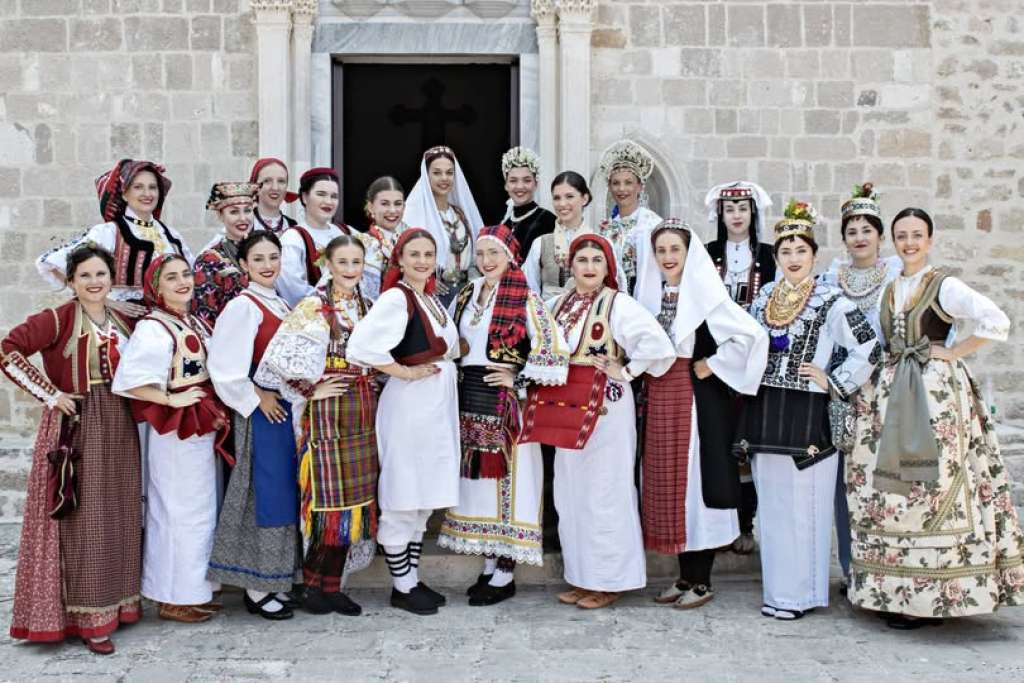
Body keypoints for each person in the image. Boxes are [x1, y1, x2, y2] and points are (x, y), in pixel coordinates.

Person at [846, 208, 1024, 629]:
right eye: (902, 236)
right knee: (892, 490)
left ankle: (934, 594)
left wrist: (953, 352)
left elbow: (996, 320)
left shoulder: (945, 284)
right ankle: (897, 590)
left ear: (929, 240)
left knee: (934, 485)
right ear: (893, 241)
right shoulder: (891, 288)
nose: (909, 243)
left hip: (935, 395)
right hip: (890, 393)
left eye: (917, 235)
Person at [733, 199, 881, 621]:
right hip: (766, 408)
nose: (793, 258)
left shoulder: (832, 300)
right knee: (774, 505)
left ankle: (802, 595)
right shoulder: (764, 298)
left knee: (806, 505)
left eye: (801, 250)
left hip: (809, 411)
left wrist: (833, 379)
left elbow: (870, 347)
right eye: (785, 251)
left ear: (814, 255)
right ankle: (778, 591)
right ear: (777, 257)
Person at [518, 234, 675, 610]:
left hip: (606, 409)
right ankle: (582, 576)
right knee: (571, 493)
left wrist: (628, 370)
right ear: (570, 266)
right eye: (582, 260)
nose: (589, 267)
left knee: (606, 492)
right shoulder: (558, 304)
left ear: (608, 267)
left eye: (596, 260)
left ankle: (610, 581)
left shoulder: (619, 304)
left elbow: (658, 345)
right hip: (565, 408)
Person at [3, 245, 141, 655]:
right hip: (78, 424)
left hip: (120, 421)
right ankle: (87, 618)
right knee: (85, 519)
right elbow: (8, 350)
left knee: (118, 513)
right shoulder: (57, 318)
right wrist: (51, 394)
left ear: (111, 278)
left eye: (101, 274)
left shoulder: (124, 317)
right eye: (85, 276)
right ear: (71, 281)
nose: (94, 282)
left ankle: (118, 605)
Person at [633, 219, 768, 609]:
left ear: (689, 253)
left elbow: (751, 336)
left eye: (675, 249)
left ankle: (702, 579)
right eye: (661, 250)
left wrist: (714, 363)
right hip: (660, 396)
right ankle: (684, 576)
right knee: (668, 485)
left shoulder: (707, 294)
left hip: (694, 400)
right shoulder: (651, 296)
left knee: (694, 486)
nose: (667, 257)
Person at [437, 224, 569, 605]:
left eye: (494, 252)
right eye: (480, 253)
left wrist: (517, 377)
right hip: (470, 398)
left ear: (510, 257)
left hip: (508, 404)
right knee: (481, 484)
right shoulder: (467, 293)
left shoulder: (526, 298)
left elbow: (553, 350)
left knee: (512, 482)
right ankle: (490, 562)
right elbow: (449, 341)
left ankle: (506, 571)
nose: (486, 260)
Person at [255, 234, 381, 617]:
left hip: (362, 410)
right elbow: (278, 361)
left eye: (356, 263)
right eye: (342, 262)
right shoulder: (313, 305)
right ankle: (312, 586)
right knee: (327, 505)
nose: (350, 270)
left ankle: (334, 586)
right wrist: (312, 389)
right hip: (326, 414)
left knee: (356, 503)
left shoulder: (369, 305)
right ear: (328, 265)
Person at [346, 229, 461, 616]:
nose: (423, 261)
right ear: (399, 259)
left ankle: (411, 578)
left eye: (428, 254)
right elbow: (361, 346)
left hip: (435, 406)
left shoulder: (428, 296)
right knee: (405, 492)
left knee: (423, 496)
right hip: (410, 406)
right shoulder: (397, 298)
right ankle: (402, 585)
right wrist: (405, 372)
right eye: (415, 254)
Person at [112, 254, 229, 624]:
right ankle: (171, 596)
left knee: (199, 510)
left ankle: (194, 591)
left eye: (186, 275)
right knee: (177, 511)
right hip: (177, 430)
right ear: (156, 287)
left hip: (199, 426)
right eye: (172, 277)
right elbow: (130, 381)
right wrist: (169, 399)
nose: (182, 282)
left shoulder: (191, 321)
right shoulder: (154, 327)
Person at [206, 231, 301, 621]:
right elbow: (224, 367)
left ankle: (277, 577)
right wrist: (257, 397)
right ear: (244, 265)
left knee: (282, 492)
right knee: (262, 493)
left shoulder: (280, 302)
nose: (267, 265)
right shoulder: (243, 307)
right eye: (258, 259)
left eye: (273, 257)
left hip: (283, 410)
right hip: (260, 414)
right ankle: (256, 586)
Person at [819, 183, 901, 593]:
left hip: (886, 387)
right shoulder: (831, 277)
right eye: (852, 231)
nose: (859, 237)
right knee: (843, 478)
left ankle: (887, 567)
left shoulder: (898, 275)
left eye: (867, 229)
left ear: (880, 235)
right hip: (844, 388)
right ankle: (852, 569)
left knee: (880, 476)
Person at [702, 180, 776, 554]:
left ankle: (746, 523)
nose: (736, 216)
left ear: (752, 213)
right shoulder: (707, 253)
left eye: (743, 209)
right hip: (716, 360)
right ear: (721, 214)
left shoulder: (769, 255)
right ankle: (720, 524)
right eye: (729, 209)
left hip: (755, 360)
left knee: (749, 443)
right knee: (719, 441)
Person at [36, 159, 192, 313]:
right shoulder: (109, 232)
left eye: (152, 187)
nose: (147, 193)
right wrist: (107, 302)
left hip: (170, 316)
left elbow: (192, 276)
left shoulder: (171, 235)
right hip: (124, 320)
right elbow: (52, 265)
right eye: (138, 187)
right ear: (124, 194)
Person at [403, 146, 484, 306]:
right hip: (433, 294)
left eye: (449, 172)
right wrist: (427, 279)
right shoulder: (415, 215)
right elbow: (404, 258)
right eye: (437, 173)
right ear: (427, 176)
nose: (444, 178)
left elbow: (475, 255)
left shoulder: (460, 214)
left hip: (466, 292)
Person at [523, 172, 602, 299]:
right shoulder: (541, 243)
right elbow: (529, 289)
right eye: (557, 198)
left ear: (584, 199)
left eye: (569, 196)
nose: (562, 204)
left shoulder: (600, 243)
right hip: (547, 310)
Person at [277, 167, 350, 307]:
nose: (328, 201)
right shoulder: (293, 239)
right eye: (321, 194)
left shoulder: (344, 232)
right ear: (305, 197)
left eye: (334, 196)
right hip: (313, 314)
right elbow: (292, 291)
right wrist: (332, 304)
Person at [595, 139, 661, 288]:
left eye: (628, 182)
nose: (621, 189)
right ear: (609, 187)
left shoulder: (652, 224)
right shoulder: (607, 228)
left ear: (640, 186)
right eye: (616, 183)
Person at [192, 182, 259, 328]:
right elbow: (204, 318)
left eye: (247, 211)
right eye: (234, 212)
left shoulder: (263, 251)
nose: (243, 218)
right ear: (220, 215)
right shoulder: (209, 261)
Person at [497, 146, 556, 257]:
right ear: (506, 185)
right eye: (513, 181)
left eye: (527, 180)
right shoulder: (504, 223)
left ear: (536, 184)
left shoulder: (548, 221)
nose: (520, 186)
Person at [359, 176, 409, 300]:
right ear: (371, 207)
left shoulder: (409, 239)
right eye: (385, 204)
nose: (392, 210)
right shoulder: (364, 244)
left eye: (398, 204)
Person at [250, 157, 299, 234]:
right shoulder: (244, 224)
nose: (275, 188)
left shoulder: (293, 226)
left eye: (281, 181)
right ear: (255, 187)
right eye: (267, 181)